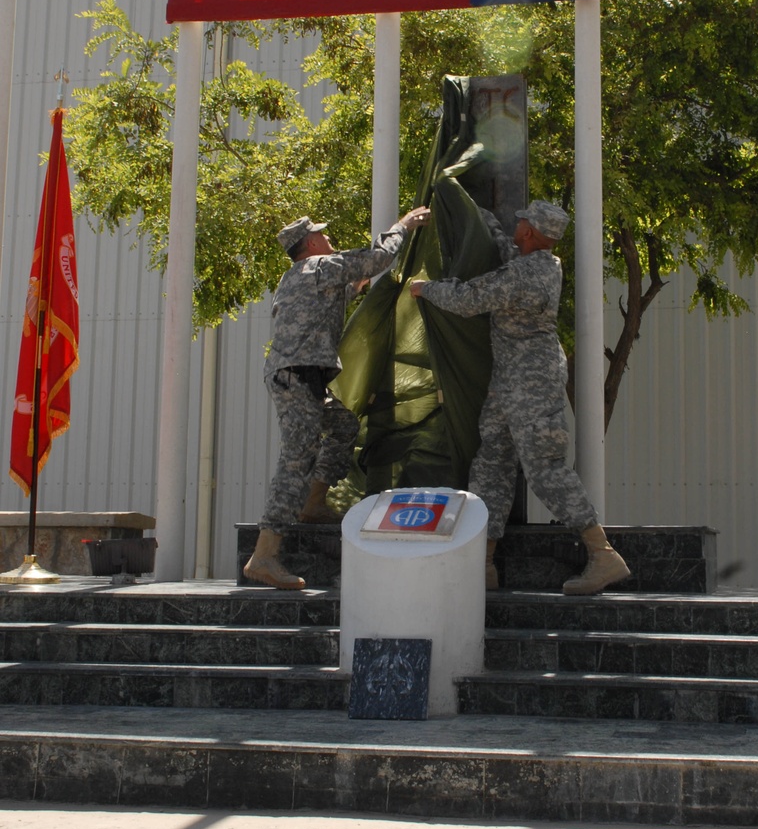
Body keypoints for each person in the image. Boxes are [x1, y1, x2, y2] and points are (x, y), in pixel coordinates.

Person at [411, 199, 630, 596]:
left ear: (529, 232)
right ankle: (484, 564)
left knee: (545, 468)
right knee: (491, 465)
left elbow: (468, 300)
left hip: (531, 382)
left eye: (521, 222)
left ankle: (602, 554)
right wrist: (483, 217)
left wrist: (425, 289)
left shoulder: (525, 275)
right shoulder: (539, 263)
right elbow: (507, 248)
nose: (517, 227)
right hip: (510, 381)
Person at [245, 206, 430, 590]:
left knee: (343, 425)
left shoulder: (300, 276)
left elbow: (348, 287)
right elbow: (376, 258)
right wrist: (402, 227)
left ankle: (314, 502)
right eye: (324, 237)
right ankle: (264, 554)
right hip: (299, 378)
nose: (330, 241)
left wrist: (360, 285)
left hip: (303, 378)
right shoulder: (319, 267)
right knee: (296, 460)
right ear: (311, 244)